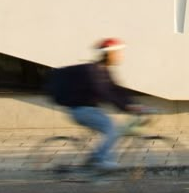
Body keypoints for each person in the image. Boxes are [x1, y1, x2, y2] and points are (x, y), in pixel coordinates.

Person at [45, 37, 136, 170]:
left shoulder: (103, 70)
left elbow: (116, 89)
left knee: (112, 128)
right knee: (112, 129)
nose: (120, 56)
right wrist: (127, 107)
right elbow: (105, 92)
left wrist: (133, 104)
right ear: (109, 54)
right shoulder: (93, 71)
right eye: (117, 53)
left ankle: (100, 160)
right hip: (81, 111)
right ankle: (99, 160)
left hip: (91, 110)